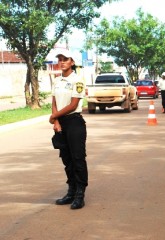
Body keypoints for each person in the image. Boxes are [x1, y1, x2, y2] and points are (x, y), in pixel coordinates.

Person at [50, 49, 88, 210]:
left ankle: (80, 194)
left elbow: (73, 105)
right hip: (60, 123)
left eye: (65, 59)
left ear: (72, 62)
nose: (62, 62)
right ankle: (71, 191)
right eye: (60, 59)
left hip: (74, 122)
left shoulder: (77, 80)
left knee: (77, 158)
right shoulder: (57, 81)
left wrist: (53, 117)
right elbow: (54, 102)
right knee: (66, 159)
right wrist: (56, 121)